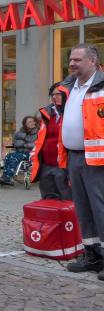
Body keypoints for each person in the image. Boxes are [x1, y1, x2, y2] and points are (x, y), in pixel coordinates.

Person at [57, 44, 104, 276]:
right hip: (74, 157)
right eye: (70, 60)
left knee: (100, 208)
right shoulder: (68, 87)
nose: (72, 64)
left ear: (92, 61)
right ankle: (92, 255)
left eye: (77, 60)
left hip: (98, 160)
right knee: (83, 208)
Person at [29, 84, 71, 200]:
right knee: (47, 200)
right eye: (53, 94)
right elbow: (41, 138)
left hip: (63, 167)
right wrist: (34, 155)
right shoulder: (47, 114)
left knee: (66, 200)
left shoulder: (72, 113)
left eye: (58, 94)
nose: (54, 97)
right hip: (46, 166)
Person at [0, 116, 38, 186]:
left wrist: (24, 145)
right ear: (25, 124)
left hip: (30, 154)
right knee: (8, 156)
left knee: (14, 157)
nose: (32, 123)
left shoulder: (38, 133)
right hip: (19, 152)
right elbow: (14, 143)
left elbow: (36, 144)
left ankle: (8, 177)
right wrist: (19, 145)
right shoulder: (19, 133)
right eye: (30, 122)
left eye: (33, 121)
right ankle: (5, 176)